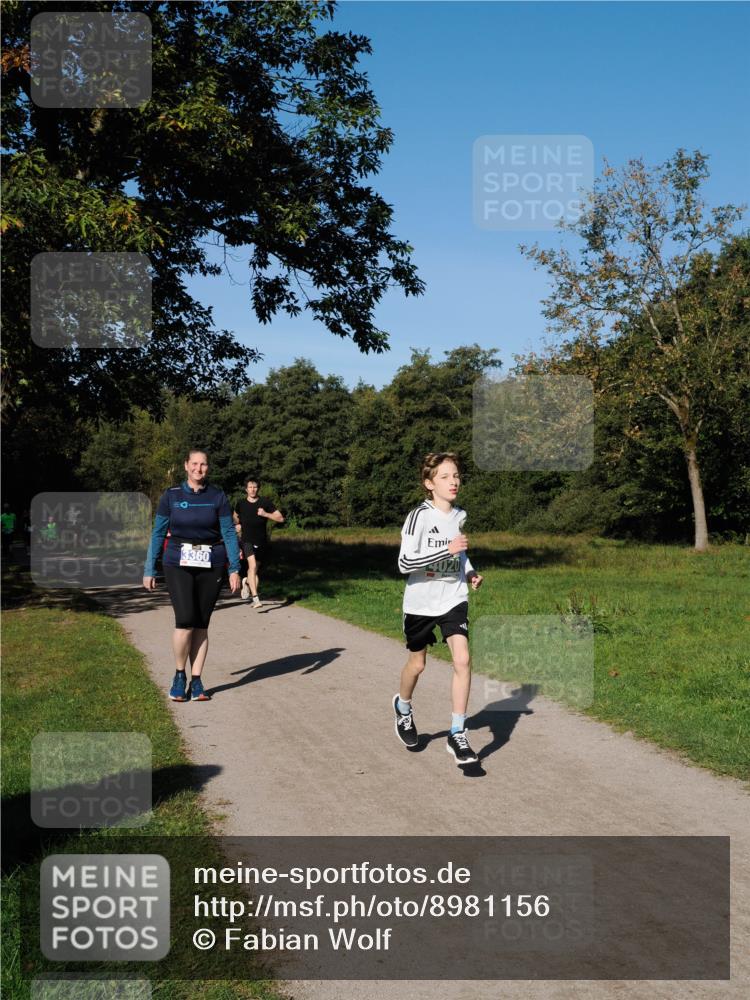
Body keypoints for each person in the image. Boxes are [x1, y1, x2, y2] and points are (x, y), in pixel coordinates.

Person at [393, 452, 484, 766]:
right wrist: (445, 551)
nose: (454, 481)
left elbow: (458, 556)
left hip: (452, 597)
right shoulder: (419, 516)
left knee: (463, 658)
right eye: (445, 477)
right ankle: (403, 708)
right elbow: (405, 563)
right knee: (417, 665)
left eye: (456, 475)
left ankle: (457, 733)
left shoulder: (459, 515)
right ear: (429, 484)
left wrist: (469, 572)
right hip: (420, 602)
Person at [143, 449, 241, 702]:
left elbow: (229, 533)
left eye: (204, 464)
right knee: (185, 620)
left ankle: (197, 681)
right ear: (185, 466)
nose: (199, 468)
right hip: (178, 562)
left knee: (201, 623)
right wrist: (149, 568)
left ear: (208, 467)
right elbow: (157, 533)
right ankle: (179, 675)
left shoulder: (217, 496)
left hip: (212, 563)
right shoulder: (171, 496)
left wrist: (233, 569)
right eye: (194, 464)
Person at [233, 476, 284, 608]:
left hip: (261, 541)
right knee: (253, 565)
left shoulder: (265, 502)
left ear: (258, 488)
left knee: (253, 571)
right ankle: (256, 599)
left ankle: (247, 583)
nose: (252, 489)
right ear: (246, 489)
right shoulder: (241, 503)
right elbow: (235, 517)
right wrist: (237, 525)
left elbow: (280, 518)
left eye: (255, 487)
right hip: (247, 540)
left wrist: (266, 514)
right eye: (250, 487)